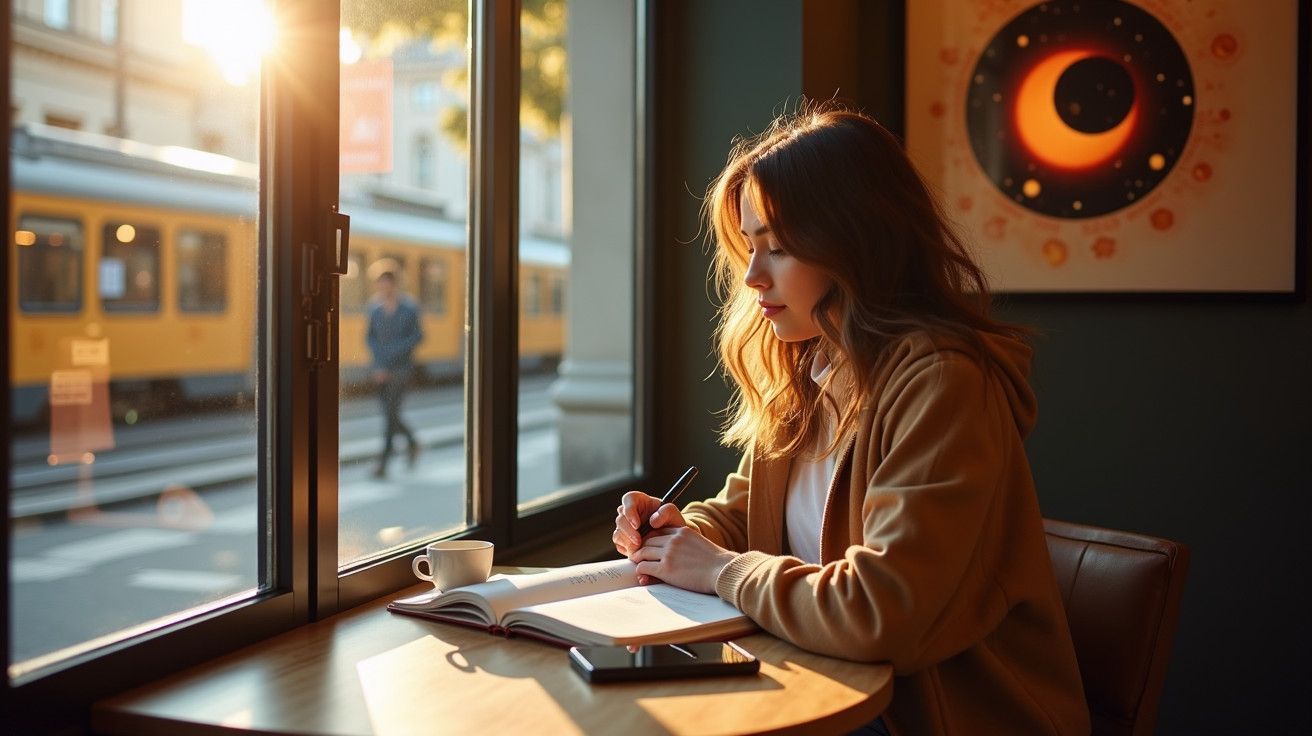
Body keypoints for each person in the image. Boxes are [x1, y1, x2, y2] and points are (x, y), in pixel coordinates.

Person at [613, 103, 1090, 734]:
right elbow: (743, 514)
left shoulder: (944, 383)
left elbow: (879, 611)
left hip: (930, 717)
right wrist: (678, 529)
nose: (753, 277)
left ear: (853, 245)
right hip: (824, 690)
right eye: (751, 248)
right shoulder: (810, 373)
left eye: (777, 248)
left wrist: (719, 568)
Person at [365, 260, 423, 478]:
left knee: (390, 413)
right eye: (381, 283)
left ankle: (383, 462)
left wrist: (393, 355)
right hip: (381, 369)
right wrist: (379, 364)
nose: (384, 287)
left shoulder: (409, 307)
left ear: (396, 283)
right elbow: (370, 339)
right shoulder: (374, 308)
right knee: (389, 413)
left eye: (388, 282)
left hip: (400, 368)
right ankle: (413, 442)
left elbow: (418, 336)